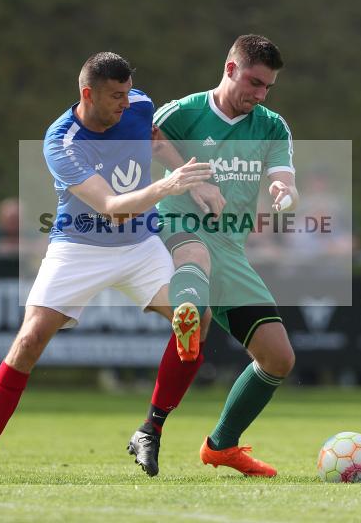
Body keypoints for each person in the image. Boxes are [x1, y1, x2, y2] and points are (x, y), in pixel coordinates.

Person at [0, 52, 211, 481]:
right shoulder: (62, 141)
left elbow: (152, 138)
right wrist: (169, 185)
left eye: (128, 93)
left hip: (140, 245)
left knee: (198, 319)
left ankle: (151, 428)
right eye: (115, 96)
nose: (125, 103)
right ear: (87, 94)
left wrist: (183, 171)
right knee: (29, 341)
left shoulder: (138, 104)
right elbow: (111, 208)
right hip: (79, 246)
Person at [127, 34, 298, 478]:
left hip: (230, 248)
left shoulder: (271, 126)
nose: (259, 95)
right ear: (230, 69)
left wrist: (283, 189)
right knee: (194, 262)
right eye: (254, 83)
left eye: (267, 88)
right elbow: (144, 138)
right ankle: (189, 311)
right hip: (175, 226)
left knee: (278, 358)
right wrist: (190, 178)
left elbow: (283, 174)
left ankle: (221, 445)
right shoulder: (184, 112)